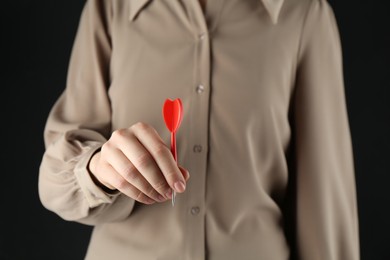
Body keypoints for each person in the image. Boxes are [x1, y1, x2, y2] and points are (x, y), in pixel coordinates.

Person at [38, 0, 360, 259]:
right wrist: (96, 169)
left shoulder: (304, 14)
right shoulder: (110, 8)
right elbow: (54, 175)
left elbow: (325, 201)